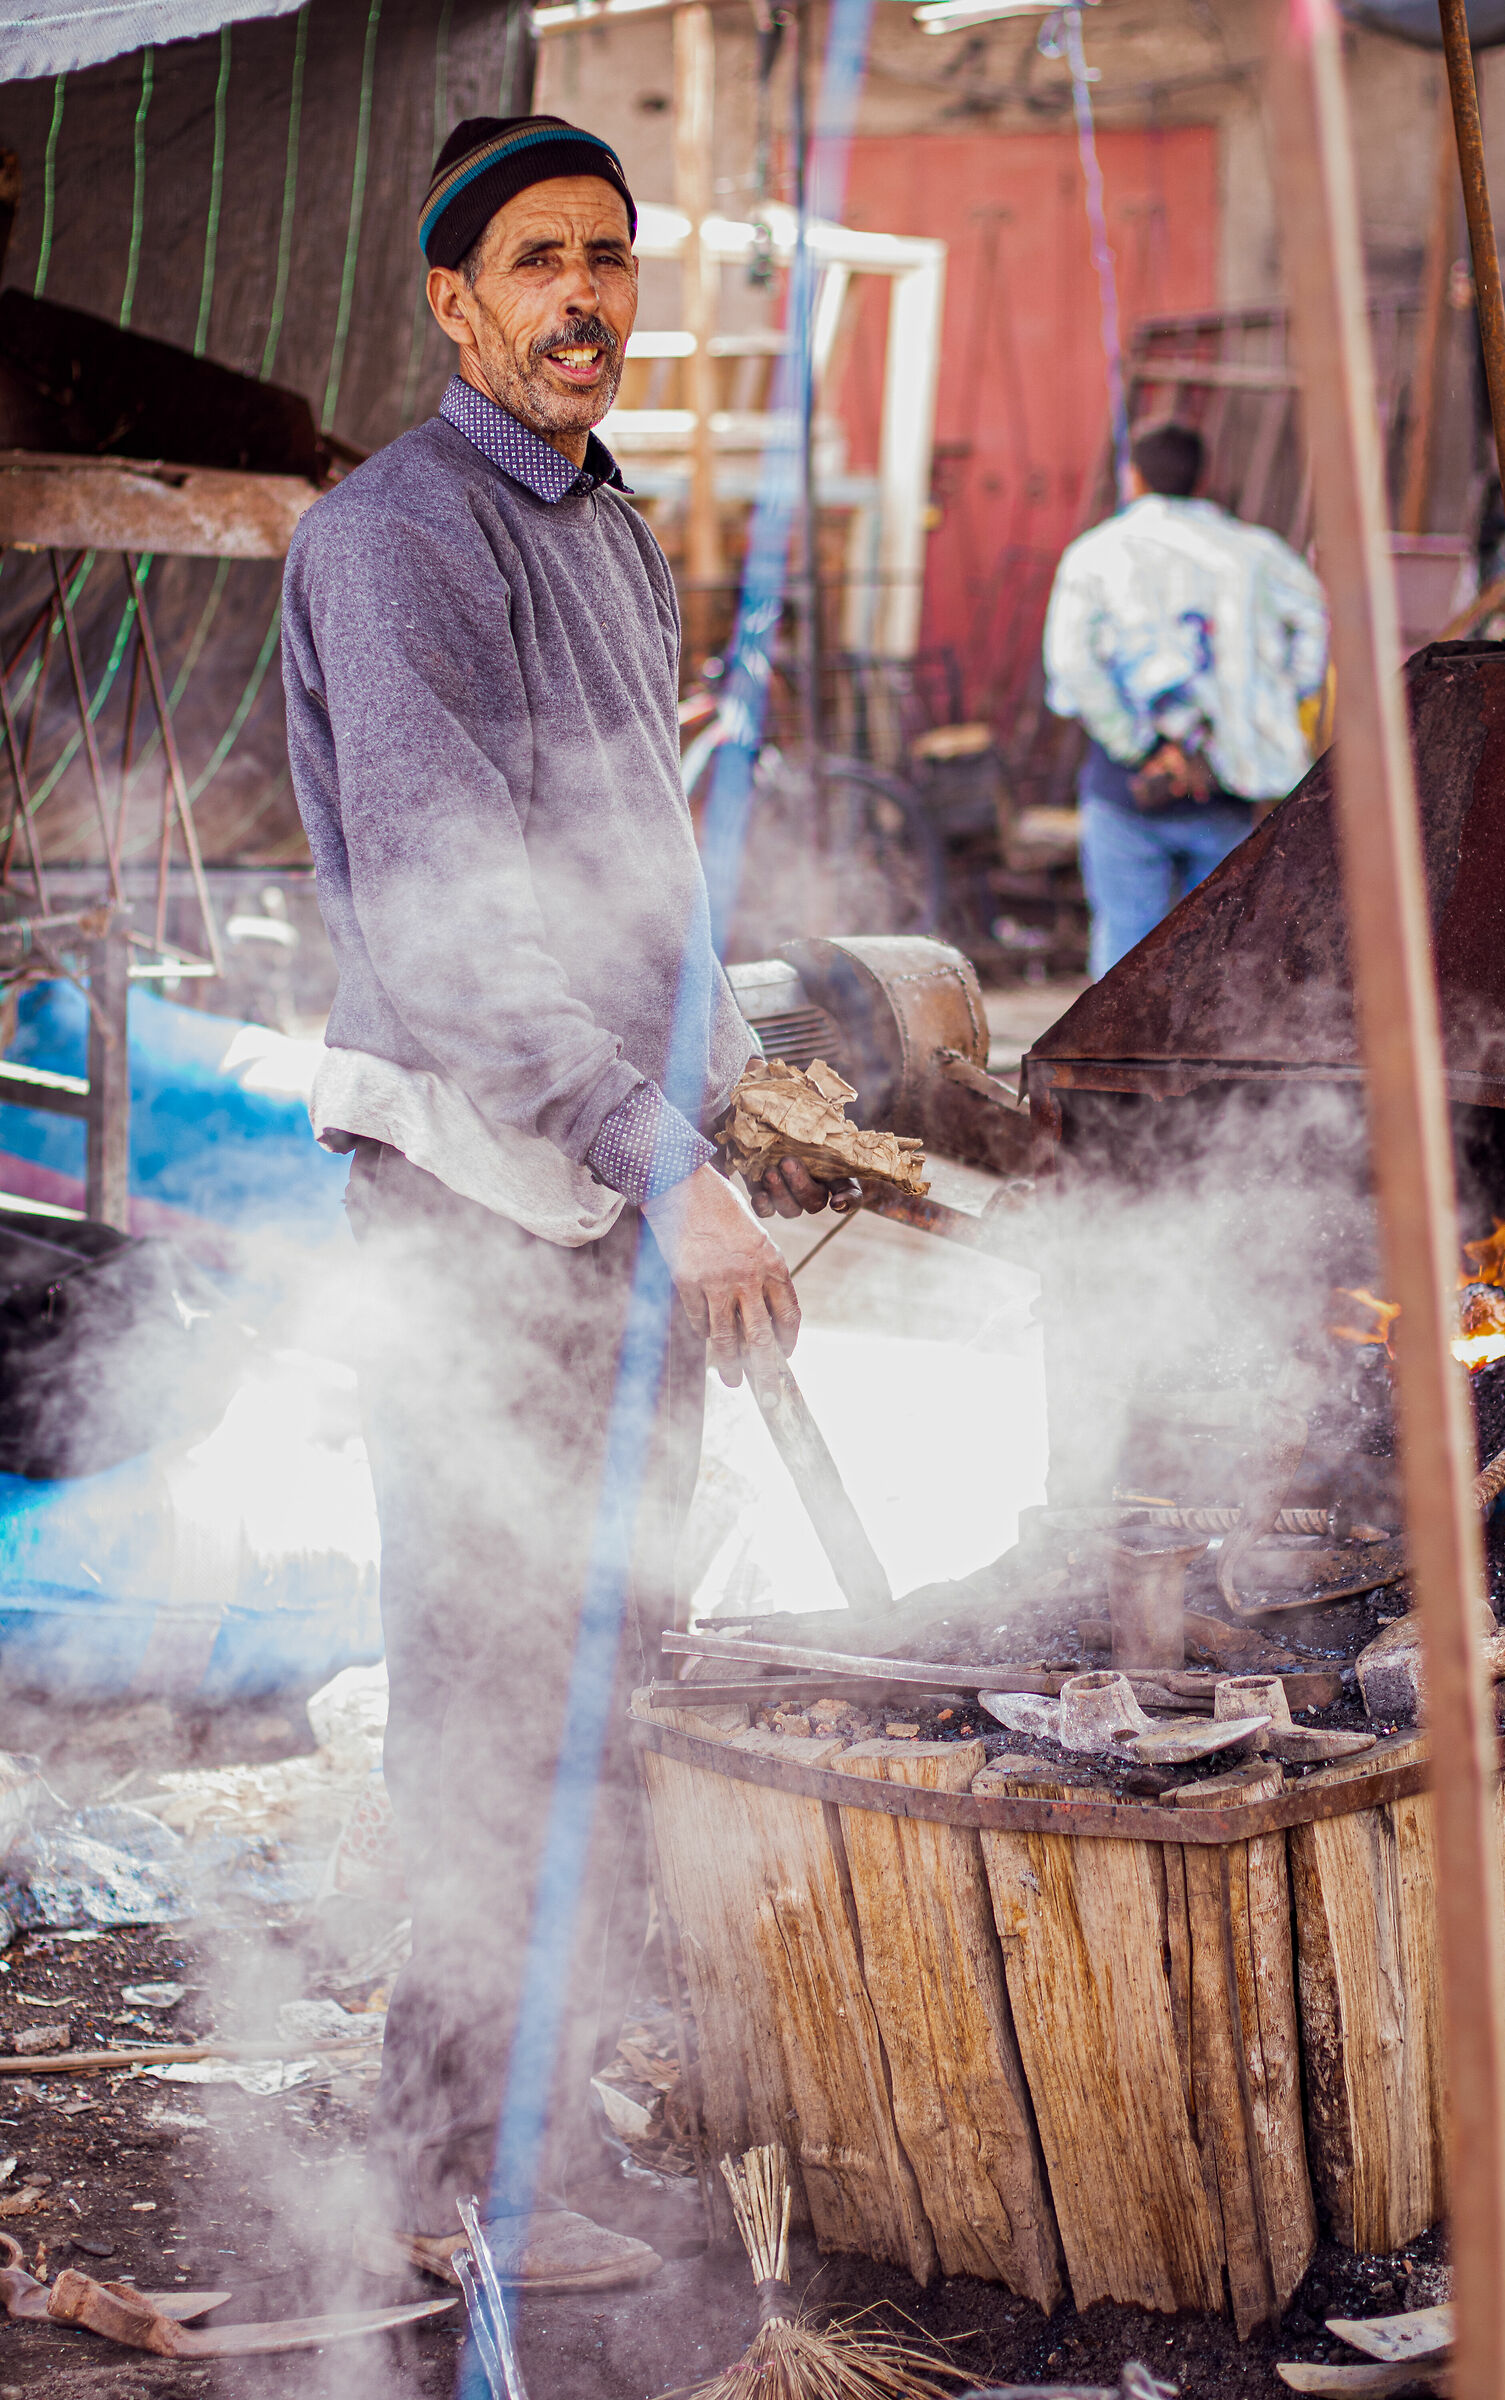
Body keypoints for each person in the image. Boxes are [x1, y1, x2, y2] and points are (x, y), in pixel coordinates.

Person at [282, 114, 847, 2295]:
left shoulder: (606, 523)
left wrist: (725, 1091)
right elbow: (453, 930)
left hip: (611, 1189)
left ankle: (551, 2121)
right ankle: (454, 2184)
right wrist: (660, 1154)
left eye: (609, 255)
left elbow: (636, 870)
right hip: (481, 1204)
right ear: (454, 303)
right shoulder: (393, 539)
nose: (586, 295)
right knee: (496, 1695)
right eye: (538, 260)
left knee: (618, 1663)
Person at [1042, 419, 1329, 980]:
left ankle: (1118, 1043)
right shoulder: (1258, 553)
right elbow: (1315, 623)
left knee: (1124, 960)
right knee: (1223, 959)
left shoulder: (1094, 555)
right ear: (1204, 479)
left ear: (1133, 478)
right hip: (1226, 782)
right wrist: (1275, 700)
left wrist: (1140, 745)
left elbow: (1072, 665)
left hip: (1126, 789)